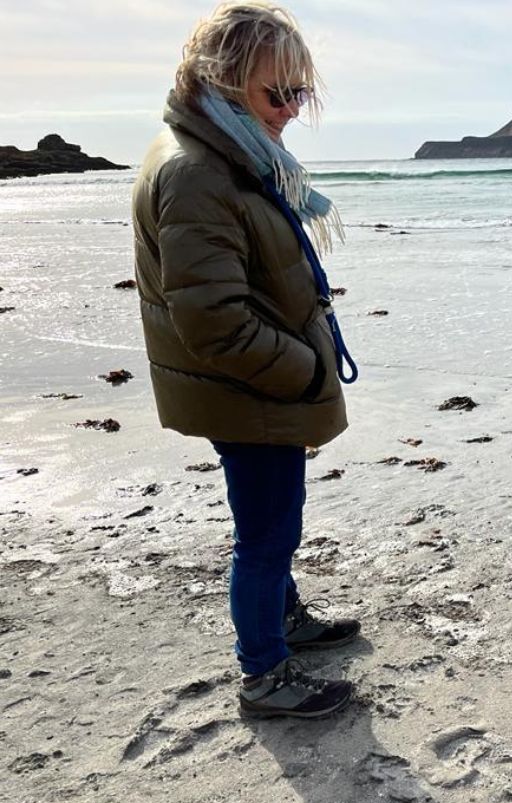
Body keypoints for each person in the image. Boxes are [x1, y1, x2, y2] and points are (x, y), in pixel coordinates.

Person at [132, 1, 360, 718]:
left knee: (272, 517)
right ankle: (264, 674)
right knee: (265, 533)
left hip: (249, 386)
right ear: (224, 80)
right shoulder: (200, 171)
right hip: (248, 389)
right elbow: (214, 320)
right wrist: (306, 371)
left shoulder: (229, 152)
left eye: (300, 91)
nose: (292, 108)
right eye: (277, 91)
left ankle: (284, 622)